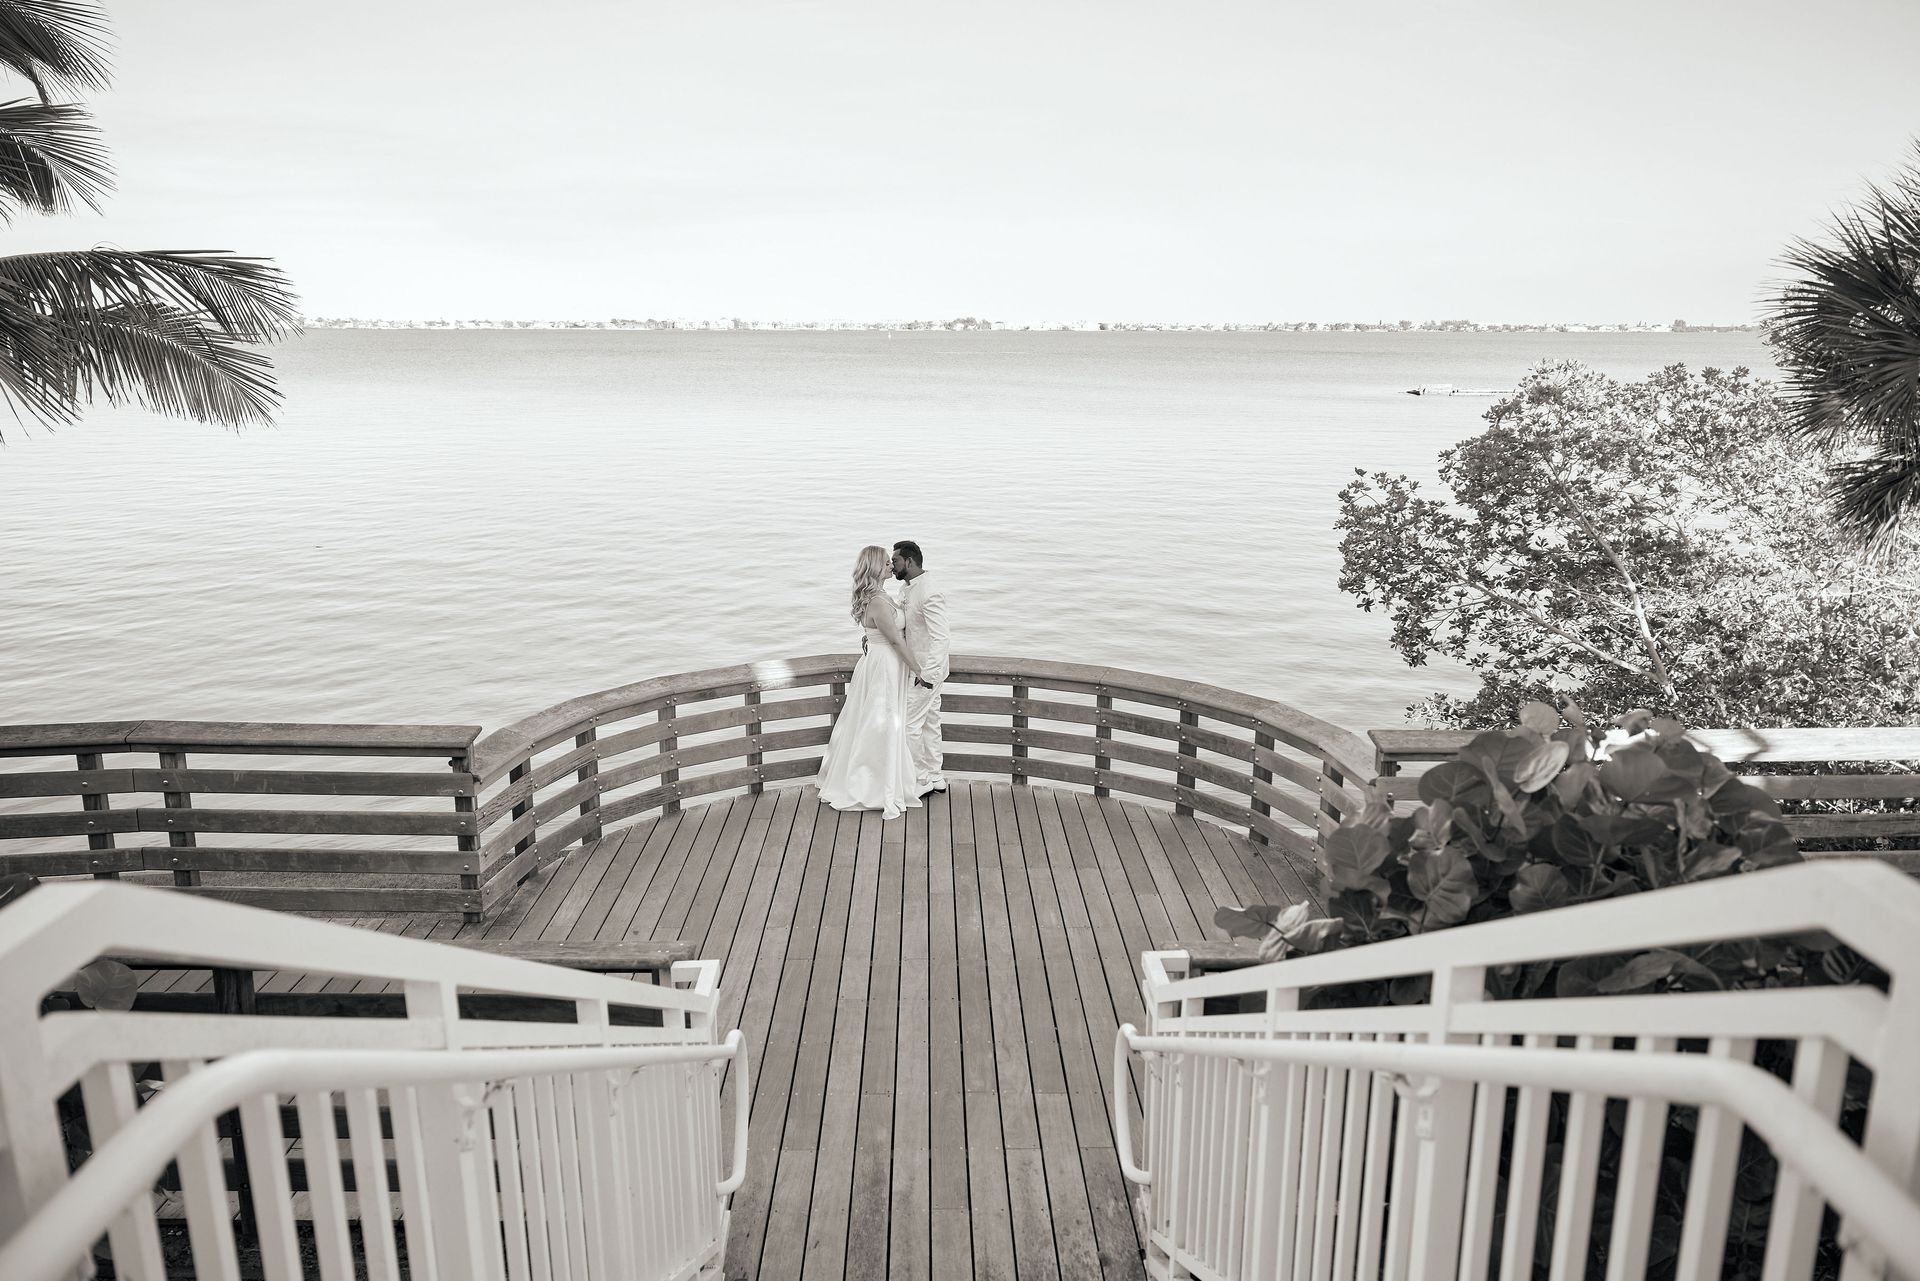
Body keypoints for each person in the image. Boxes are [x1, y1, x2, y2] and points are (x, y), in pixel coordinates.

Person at [815, 545, 923, 819]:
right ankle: (869, 786)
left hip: (883, 662)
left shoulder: (881, 595)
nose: (891, 566)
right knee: (881, 723)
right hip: (884, 666)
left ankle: (887, 780)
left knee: (883, 721)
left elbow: (881, 632)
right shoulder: (876, 601)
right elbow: (895, 640)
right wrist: (918, 669)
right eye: (887, 563)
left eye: (891, 562)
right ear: (875, 568)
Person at [891, 539, 949, 798]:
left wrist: (928, 674)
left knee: (910, 725)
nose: (892, 567)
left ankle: (919, 778)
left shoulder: (929, 591)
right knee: (930, 722)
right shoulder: (906, 590)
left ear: (909, 561)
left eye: (895, 561)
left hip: (925, 672)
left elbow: (941, 637)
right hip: (916, 670)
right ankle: (936, 776)